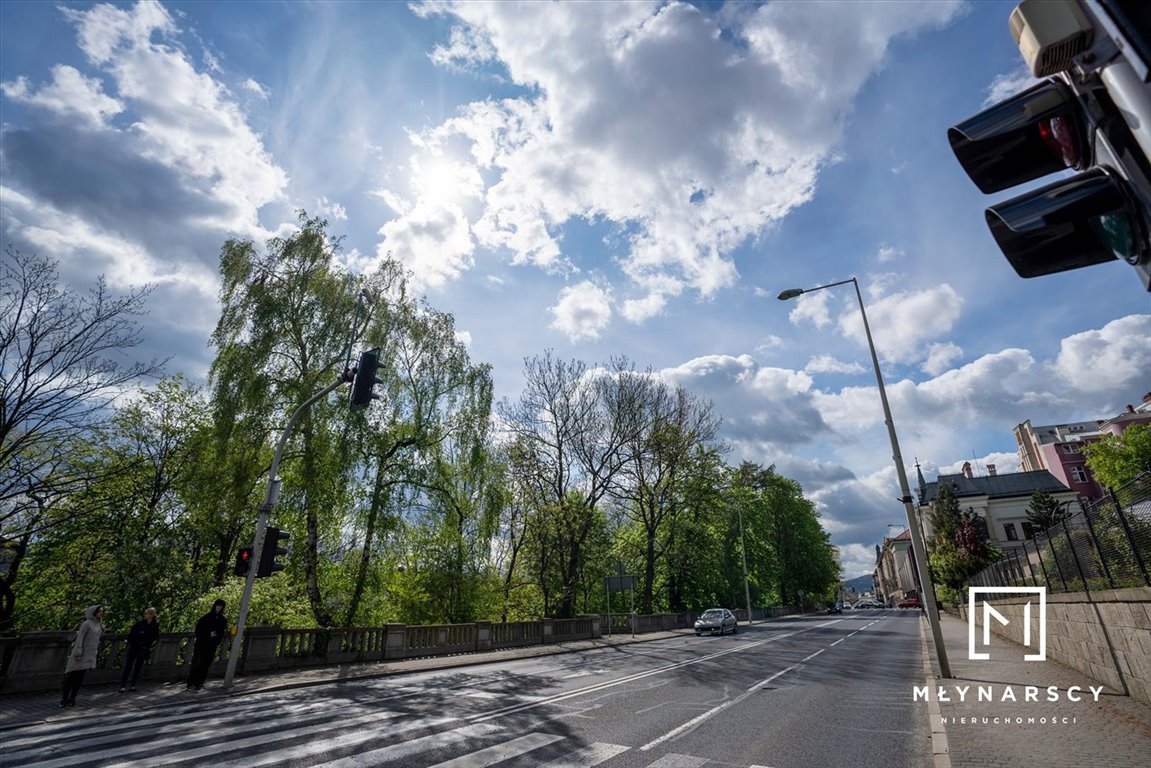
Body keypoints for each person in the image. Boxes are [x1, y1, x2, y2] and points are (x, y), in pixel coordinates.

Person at [61, 605, 104, 707]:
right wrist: (78, 653)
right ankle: (64, 699)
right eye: (100, 611)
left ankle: (73, 698)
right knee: (71, 677)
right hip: (81, 654)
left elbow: (97, 638)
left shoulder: (98, 624)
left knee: (79, 679)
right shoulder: (86, 624)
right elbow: (80, 639)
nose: (101, 613)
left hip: (89, 655)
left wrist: (103, 630)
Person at [186, 599, 227, 690]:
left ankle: (200, 682)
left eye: (221, 606)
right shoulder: (206, 617)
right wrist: (209, 633)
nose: (219, 607)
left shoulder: (222, 620)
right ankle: (191, 682)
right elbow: (198, 630)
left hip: (212, 645)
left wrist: (216, 639)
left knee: (206, 664)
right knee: (197, 663)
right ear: (215, 606)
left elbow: (221, 632)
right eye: (218, 605)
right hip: (201, 644)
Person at [118, 607, 159, 693]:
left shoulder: (155, 625)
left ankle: (133, 684)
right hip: (134, 647)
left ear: (151, 615)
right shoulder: (139, 624)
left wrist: (148, 645)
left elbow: (155, 637)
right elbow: (131, 636)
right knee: (128, 666)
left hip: (144, 649)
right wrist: (137, 641)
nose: (144, 615)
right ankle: (122, 685)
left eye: (146, 613)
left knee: (138, 667)